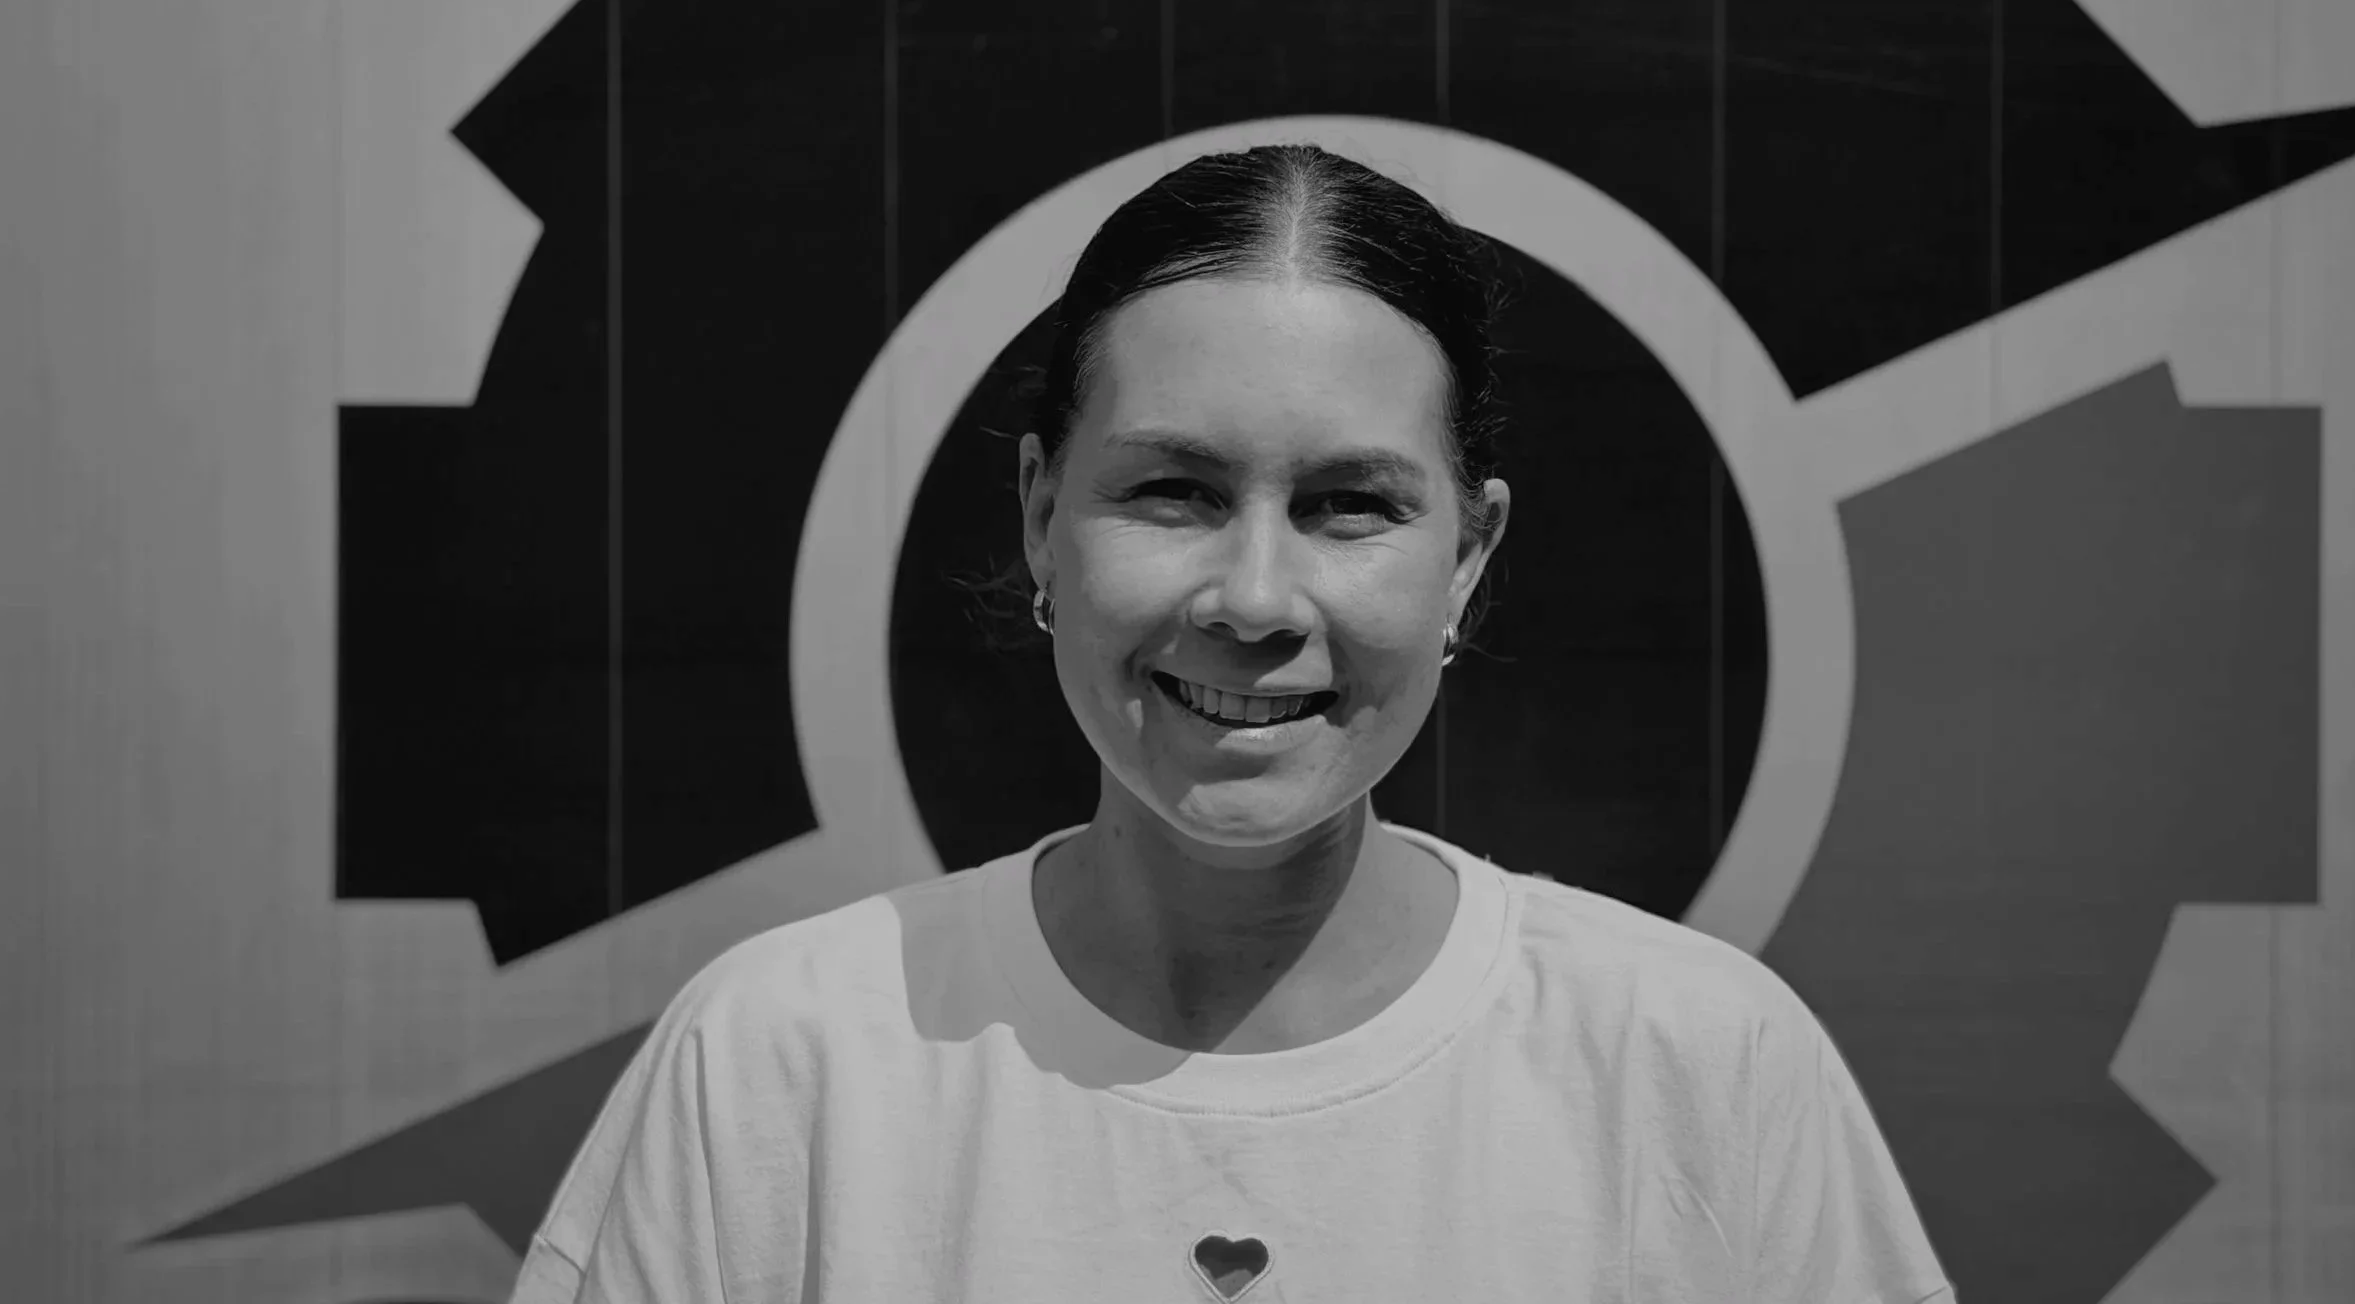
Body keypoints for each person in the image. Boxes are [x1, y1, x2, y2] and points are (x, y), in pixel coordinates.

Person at [509, 143, 1955, 1303]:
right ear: (1038, 515)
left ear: (1467, 556)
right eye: (1174, 491)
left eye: (1350, 507)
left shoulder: (1700, 1066)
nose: (1256, 599)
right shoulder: (780, 1067)